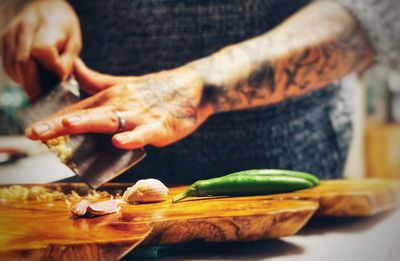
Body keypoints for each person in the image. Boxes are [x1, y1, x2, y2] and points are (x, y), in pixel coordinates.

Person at [0, 0, 398, 183]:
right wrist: (29, 5)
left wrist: (201, 86)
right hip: (111, 195)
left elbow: (375, 12)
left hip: (291, 177)